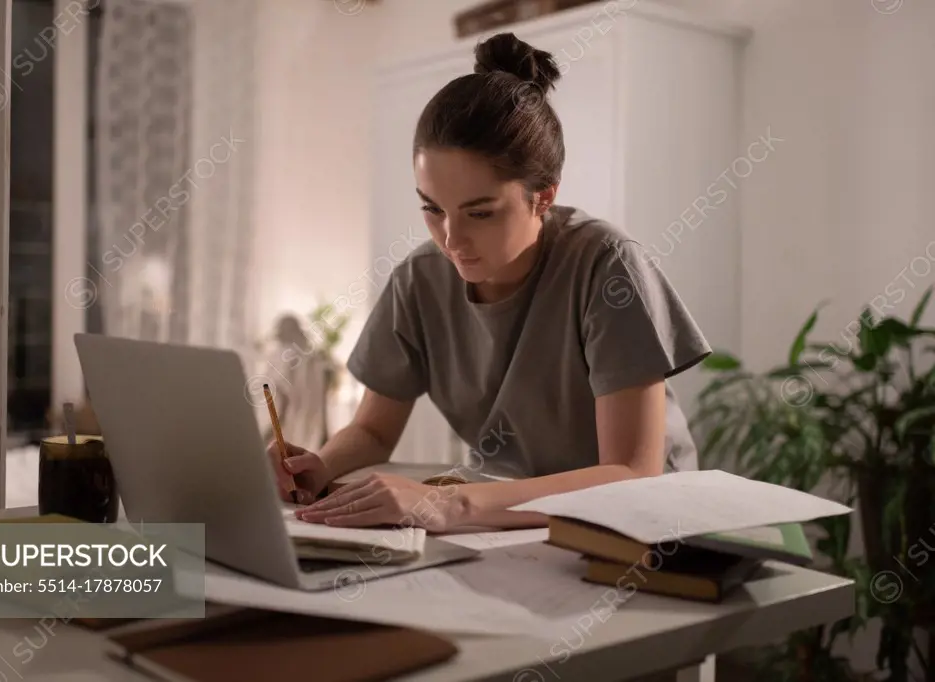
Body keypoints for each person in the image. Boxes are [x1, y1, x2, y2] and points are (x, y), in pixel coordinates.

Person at [270, 32, 712, 532]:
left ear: (542, 198)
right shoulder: (419, 279)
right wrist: (319, 466)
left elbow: (632, 473)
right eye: (432, 209)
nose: (452, 239)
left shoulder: (606, 266)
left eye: (480, 213)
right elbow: (373, 429)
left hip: (640, 531)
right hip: (511, 520)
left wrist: (449, 504)